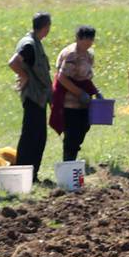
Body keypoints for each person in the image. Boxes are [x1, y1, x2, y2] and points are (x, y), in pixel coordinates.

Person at [7, 13, 53, 183]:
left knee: (39, 136)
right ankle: (24, 175)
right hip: (33, 96)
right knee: (31, 137)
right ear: (46, 26)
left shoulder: (35, 42)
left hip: (39, 97)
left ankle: (32, 174)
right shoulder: (29, 44)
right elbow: (13, 62)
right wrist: (24, 76)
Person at [51, 25, 99, 165]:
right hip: (69, 101)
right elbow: (62, 77)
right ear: (78, 39)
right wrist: (79, 93)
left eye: (91, 39)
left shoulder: (89, 54)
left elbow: (86, 77)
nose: (88, 42)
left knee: (84, 126)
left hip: (83, 101)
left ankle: (73, 155)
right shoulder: (71, 54)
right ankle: (68, 161)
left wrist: (95, 91)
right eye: (85, 39)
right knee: (72, 131)